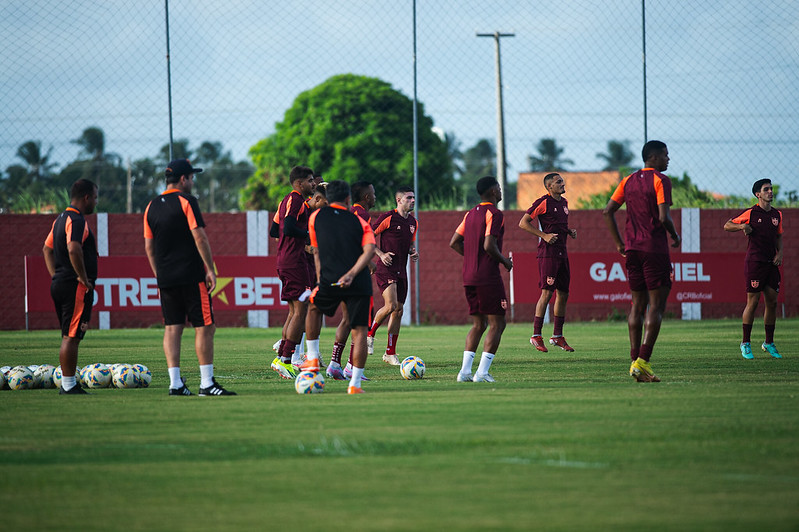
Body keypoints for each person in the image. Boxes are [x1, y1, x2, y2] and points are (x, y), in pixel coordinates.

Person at [144, 159, 235, 396]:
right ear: (183, 179)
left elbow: (149, 247)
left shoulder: (151, 206)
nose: (193, 182)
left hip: (166, 277)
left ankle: (175, 383)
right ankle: (206, 383)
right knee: (205, 326)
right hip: (191, 274)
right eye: (192, 178)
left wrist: (158, 273)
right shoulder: (187, 201)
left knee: (172, 328)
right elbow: (200, 237)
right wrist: (210, 269)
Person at [602, 140, 681, 383]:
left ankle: (635, 363)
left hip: (633, 250)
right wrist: (674, 235)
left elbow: (607, 211)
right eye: (666, 155)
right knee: (656, 307)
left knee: (637, 306)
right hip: (654, 249)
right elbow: (663, 216)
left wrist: (618, 243)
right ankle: (643, 361)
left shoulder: (627, 180)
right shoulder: (660, 180)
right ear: (654, 157)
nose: (668, 159)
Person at [301, 180, 376, 394]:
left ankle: (313, 359)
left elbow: (316, 251)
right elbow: (369, 250)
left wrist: (319, 280)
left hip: (329, 279)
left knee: (314, 308)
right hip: (358, 282)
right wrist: (352, 274)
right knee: (360, 330)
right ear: (348, 199)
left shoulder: (316, 218)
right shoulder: (359, 222)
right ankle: (355, 385)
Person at [449, 176, 513, 383]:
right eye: (500, 188)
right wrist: (504, 261)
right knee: (498, 323)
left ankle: (465, 373)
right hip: (487, 276)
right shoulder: (494, 213)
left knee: (479, 324)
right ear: (494, 191)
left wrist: (471, 258)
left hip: (468, 276)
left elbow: (454, 242)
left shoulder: (470, 214)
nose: (501, 191)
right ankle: (482, 373)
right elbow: (488, 245)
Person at [43, 179, 98, 394]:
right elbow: (74, 248)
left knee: (69, 334)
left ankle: (68, 383)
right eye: (94, 197)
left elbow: (46, 249)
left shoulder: (59, 219)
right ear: (86, 198)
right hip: (74, 287)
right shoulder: (76, 220)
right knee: (72, 336)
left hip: (61, 283)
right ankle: (68, 385)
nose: (95, 201)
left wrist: (56, 275)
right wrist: (82, 277)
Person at [723, 178, 784, 359]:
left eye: (771, 189)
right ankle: (745, 343)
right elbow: (727, 225)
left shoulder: (777, 215)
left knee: (772, 302)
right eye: (766, 189)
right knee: (753, 302)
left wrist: (780, 253)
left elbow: (779, 236)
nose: (770, 192)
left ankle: (768, 343)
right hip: (755, 263)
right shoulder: (751, 213)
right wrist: (742, 226)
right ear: (758, 194)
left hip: (771, 264)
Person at [519, 173, 577, 352]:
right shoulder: (543, 202)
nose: (562, 183)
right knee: (546, 293)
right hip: (548, 254)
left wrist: (568, 231)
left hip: (562, 253)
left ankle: (557, 336)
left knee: (564, 294)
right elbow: (523, 223)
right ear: (549, 187)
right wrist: (543, 235)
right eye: (558, 182)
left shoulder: (564, 203)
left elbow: (557, 225)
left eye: (562, 181)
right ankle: (536, 335)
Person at [269, 165, 316, 379]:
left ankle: (282, 357)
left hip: (286, 260)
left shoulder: (286, 201)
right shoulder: (296, 200)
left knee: (294, 311)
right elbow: (287, 228)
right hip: (294, 262)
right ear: (299, 183)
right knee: (301, 310)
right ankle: (286, 359)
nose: (313, 184)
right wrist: (308, 234)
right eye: (310, 180)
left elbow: (274, 230)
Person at [328, 181, 377, 380]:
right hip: (356, 277)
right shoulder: (361, 215)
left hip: (340, 271)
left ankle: (334, 364)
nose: (375, 196)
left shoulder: (348, 213)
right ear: (366, 197)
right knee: (361, 322)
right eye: (373, 193)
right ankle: (351, 366)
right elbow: (362, 244)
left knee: (347, 320)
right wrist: (370, 263)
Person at [368, 185, 419, 365]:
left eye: (413, 198)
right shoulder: (388, 218)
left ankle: (390, 353)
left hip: (401, 270)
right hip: (385, 268)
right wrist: (381, 254)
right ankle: (370, 335)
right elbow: (368, 237)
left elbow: (409, 244)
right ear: (399, 200)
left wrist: (413, 252)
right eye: (408, 198)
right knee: (390, 306)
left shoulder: (413, 222)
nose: (412, 201)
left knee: (398, 310)